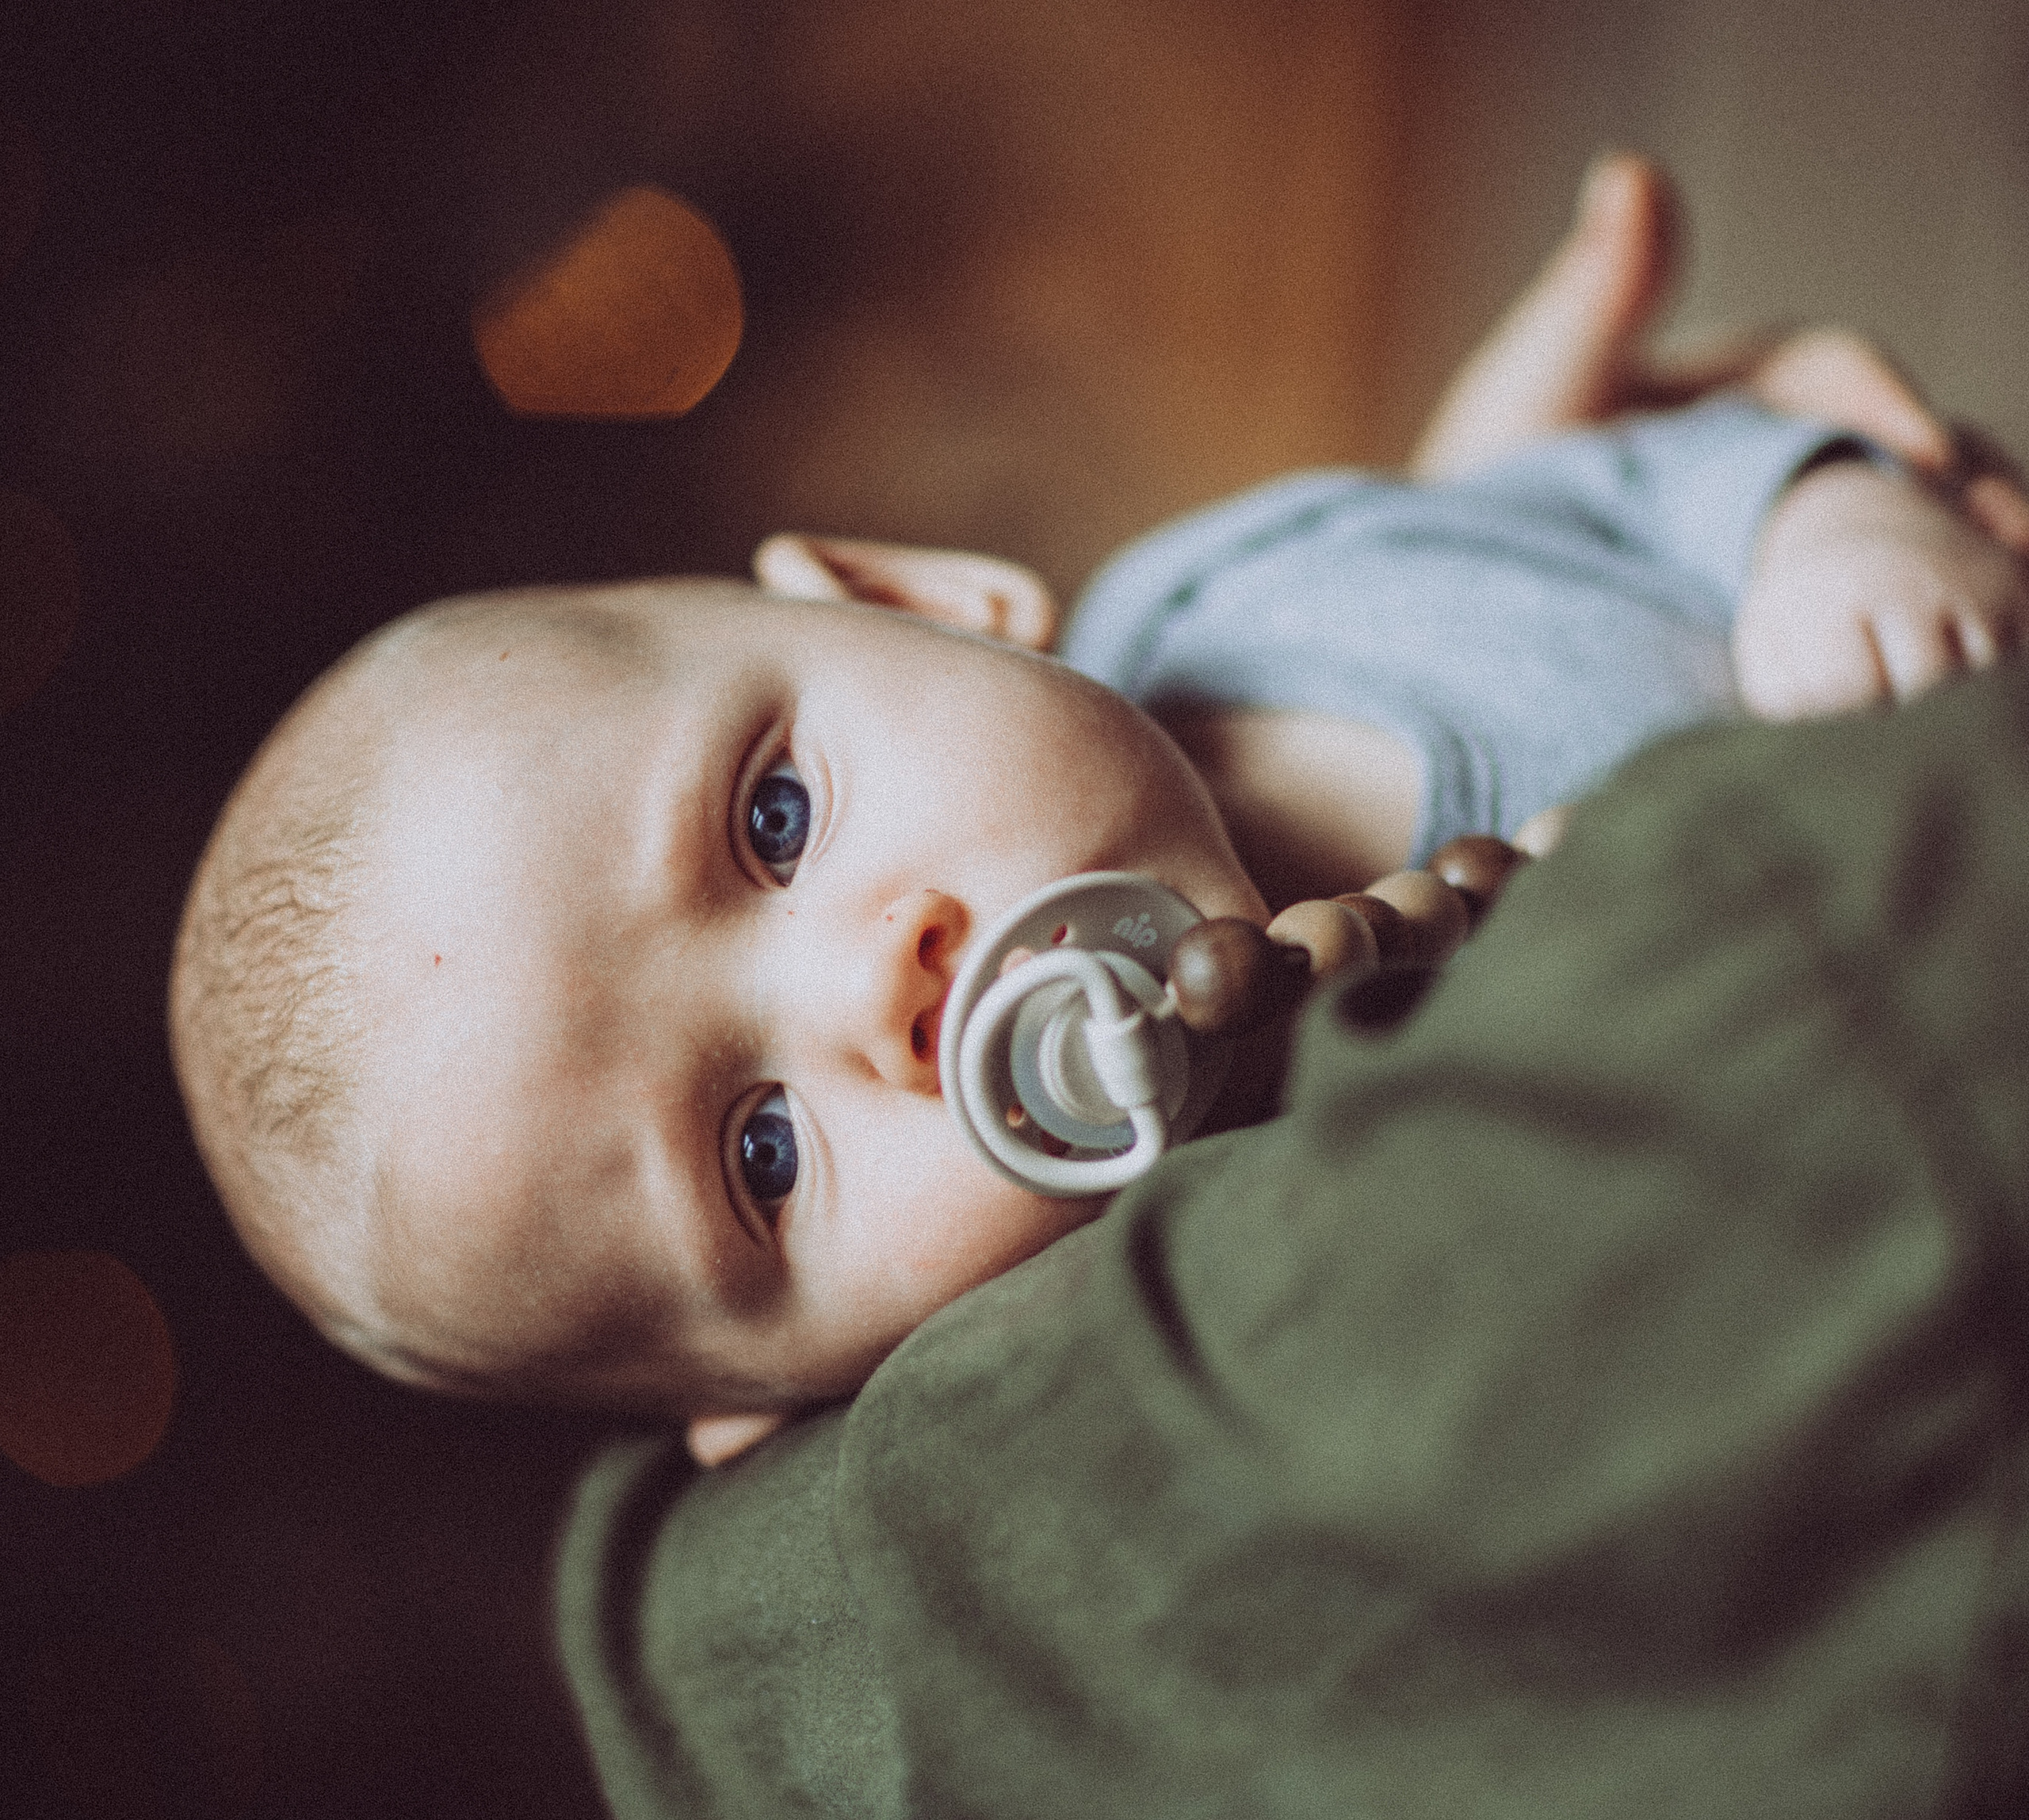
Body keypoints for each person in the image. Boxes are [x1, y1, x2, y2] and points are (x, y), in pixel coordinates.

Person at [167, 154, 2029, 1471]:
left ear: (909, 602)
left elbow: (1622, 490)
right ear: (785, 1406)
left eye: (781, 812)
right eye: (760, 1155)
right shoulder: (1236, 1254)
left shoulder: (1264, 574)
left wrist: (1823, 526)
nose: (863, 993)